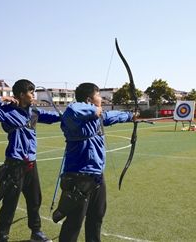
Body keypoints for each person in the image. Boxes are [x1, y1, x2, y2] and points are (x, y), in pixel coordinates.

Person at [0, 79, 60, 242]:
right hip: (15, 164)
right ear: (21, 94)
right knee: (10, 203)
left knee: (35, 200)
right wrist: (2, 99)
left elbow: (53, 117)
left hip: (31, 163)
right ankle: (3, 236)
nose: (33, 95)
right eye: (31, 92)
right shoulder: (6, 111)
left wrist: (72, 115)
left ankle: (36, 232)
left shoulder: (34, 112)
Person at [52, 82, 137, 242]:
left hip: (97, 177)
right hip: (78, 178)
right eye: (98, 95)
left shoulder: (98, 118)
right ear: (89, 99)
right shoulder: (72, 118)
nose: (102, 99)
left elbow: (113, 116)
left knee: (96, 217)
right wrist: (94, 110)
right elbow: (72, 110)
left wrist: (130, 115)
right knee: (74, 223)